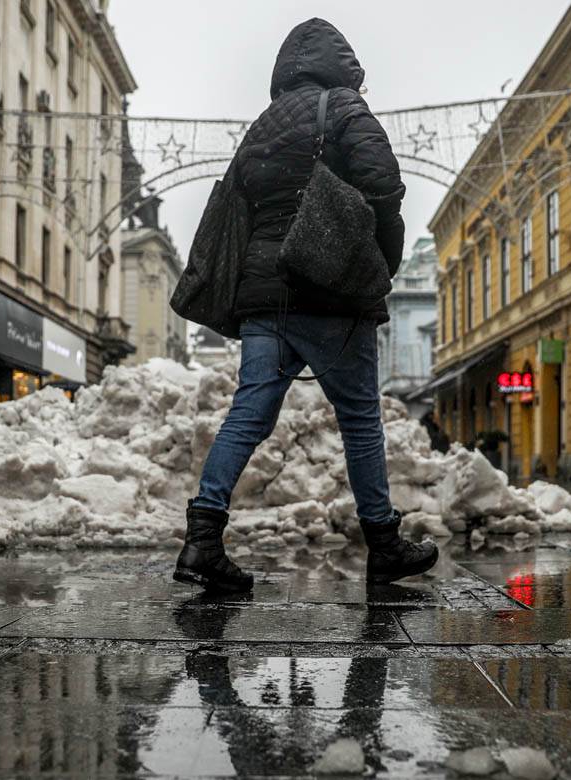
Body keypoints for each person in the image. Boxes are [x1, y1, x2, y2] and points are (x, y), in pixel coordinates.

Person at [175, 18, 438, 593]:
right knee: (361, 420)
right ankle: (384, 544)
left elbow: (236, 203)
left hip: (265, 297)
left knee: (248, 415)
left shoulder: (263, 124)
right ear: (341, 65)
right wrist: (379, 264)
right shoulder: (344, 106)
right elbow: (384, 184)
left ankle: (202, 539)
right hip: (331, 292)